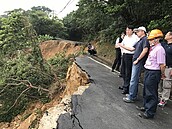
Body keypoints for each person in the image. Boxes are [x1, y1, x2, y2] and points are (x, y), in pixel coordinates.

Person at [137, 29, 166, 119]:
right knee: (146, 90)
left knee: (151, 92)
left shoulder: (160, 49)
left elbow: (162, 64)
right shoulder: (153, 48)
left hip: (154, 72)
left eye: (151, 39)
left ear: (157, 39)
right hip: (148, 71)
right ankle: (146, 107)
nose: (149, 41)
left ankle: (150, 112)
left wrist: (162, 74)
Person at [118, 26, 150, 103]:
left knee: (133, 79)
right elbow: (132, 48)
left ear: (143, 31)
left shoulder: (145, 39)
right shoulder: (140, 40)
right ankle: (132, 94)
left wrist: (138, 59)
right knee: (132, 78)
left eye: (138, 31)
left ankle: (132, 96)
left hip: (138, 62)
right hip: (134, 60)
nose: (137, 32)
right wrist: (121, 45)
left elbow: (145, 50)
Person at [118, 25, 139, 94]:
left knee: (128, 72)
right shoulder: (126, 37)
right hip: (124, 54)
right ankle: (125, 85)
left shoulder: (135, 38)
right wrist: (121, 46)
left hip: (130, 55)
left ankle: (127, 87)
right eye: (126, 30)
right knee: (123, 71)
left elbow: (132, 48)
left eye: (128, 30)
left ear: (132, 30)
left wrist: (122, 46)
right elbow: (122, 45)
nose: (127, 31)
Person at [158, 31, 172, 107]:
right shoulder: (164, 44)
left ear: (171, 36)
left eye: (167, 34)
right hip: (162, 66)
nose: (165, 35)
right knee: (160, 82)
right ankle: (160, 97)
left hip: (169, 67)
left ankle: (164, 99)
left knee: (166, 84)